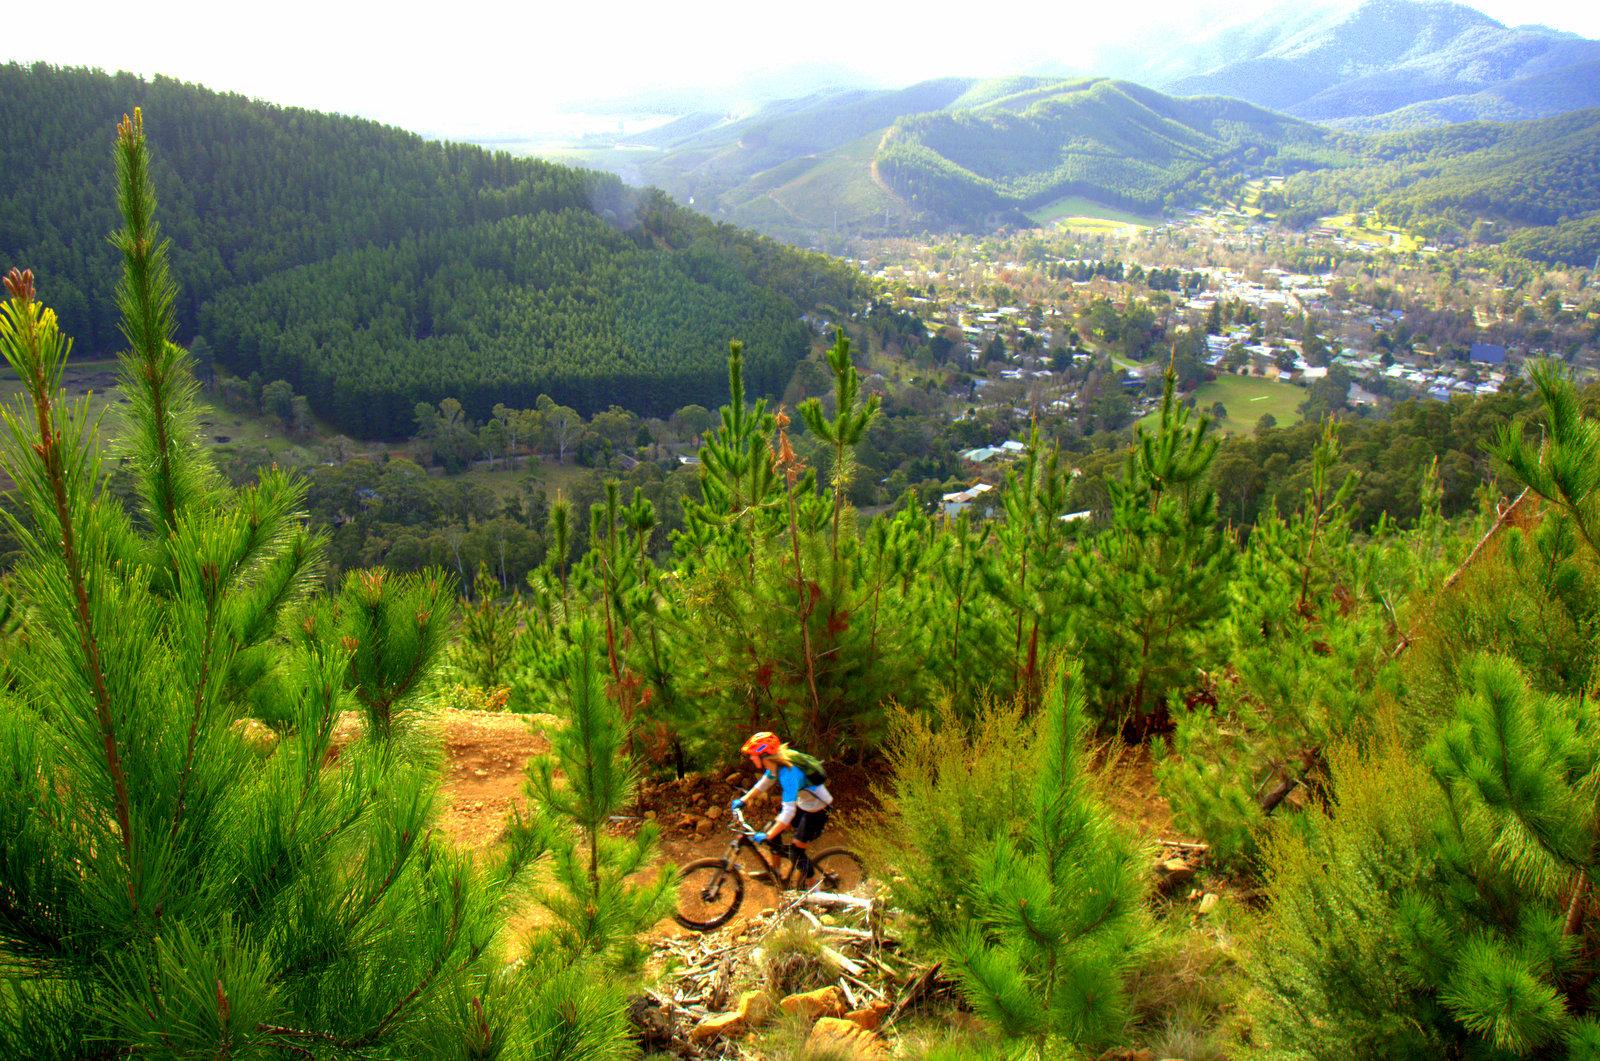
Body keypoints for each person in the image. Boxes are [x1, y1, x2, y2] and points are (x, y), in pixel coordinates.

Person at [731, 731, 833, 885]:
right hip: (805, 805)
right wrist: (743, 800)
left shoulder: (788, 774)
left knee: (795, 852)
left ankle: (816, 892)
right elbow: (764, 783)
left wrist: (768, 835)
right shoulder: (775, 765)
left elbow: (788, 812)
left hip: (818, 811)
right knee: (771, 829)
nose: (751, 758)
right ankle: (775, 874)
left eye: (753, 754)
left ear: (764, 755)